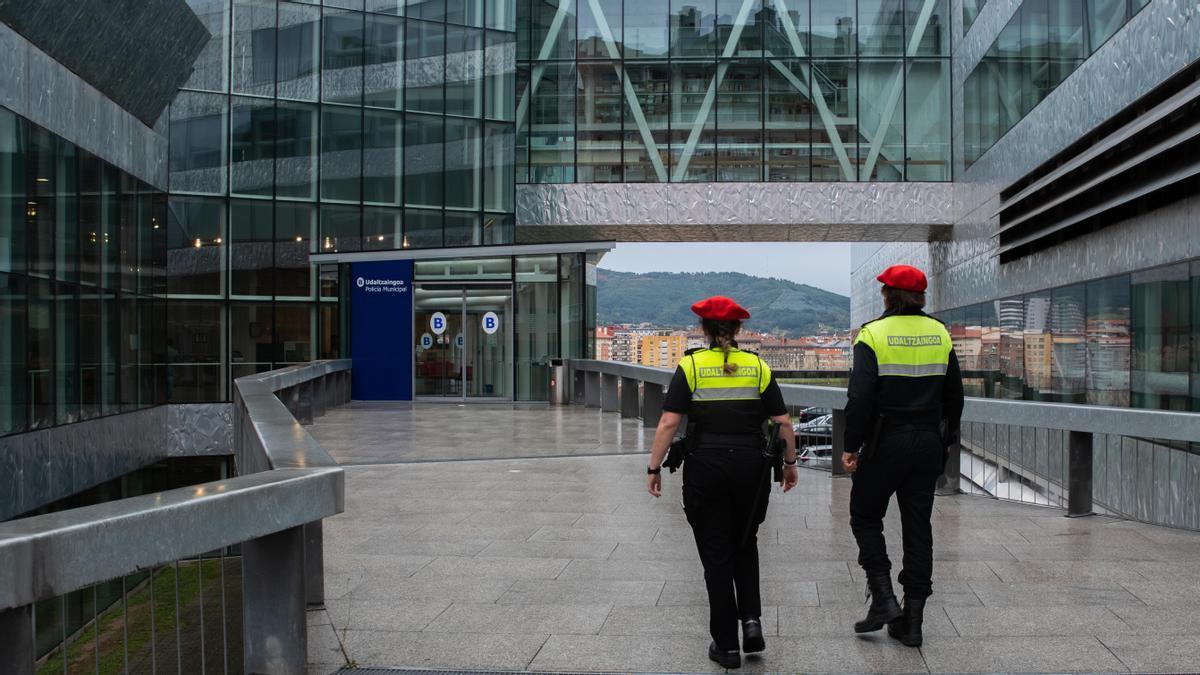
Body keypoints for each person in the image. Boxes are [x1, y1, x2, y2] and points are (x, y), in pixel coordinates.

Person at [645, 296, 798, 669]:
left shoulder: (692, 366)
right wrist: (790, 464)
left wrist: (653, 468)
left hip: (706, 467)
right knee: (745, 542)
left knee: (716, 553)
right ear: (738, 330)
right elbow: (783, 422)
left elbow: (668, 422)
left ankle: (726, 645)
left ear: (704, 329)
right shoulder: (757, 366)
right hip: (751, 468)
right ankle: (751, 622)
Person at [842, 264, 964, 648]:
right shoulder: (940, 332)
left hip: (885, 442)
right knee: (918, 529)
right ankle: (912, 624)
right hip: (927, 442)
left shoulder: (872, 334)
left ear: (887, 295)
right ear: (921, 297)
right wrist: (944, 442)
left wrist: (851, 445)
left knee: (864, 515)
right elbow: (955, 397)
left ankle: (883, 599)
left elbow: (860, 396)